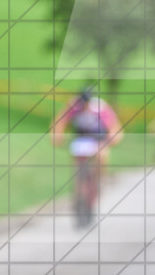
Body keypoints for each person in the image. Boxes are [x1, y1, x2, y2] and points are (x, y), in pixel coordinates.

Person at [52, 88, 122, 225]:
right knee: (79, 169)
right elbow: (60, 121)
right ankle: (78, 195)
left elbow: (115, 127)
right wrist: (57, 136)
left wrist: (113, 138)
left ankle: (100, 179)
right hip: (81, 140)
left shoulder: (100, 108)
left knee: (102, 155)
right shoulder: (73, 106)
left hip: (98, 140)